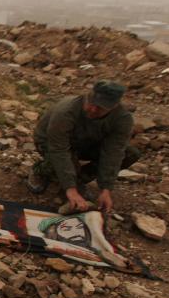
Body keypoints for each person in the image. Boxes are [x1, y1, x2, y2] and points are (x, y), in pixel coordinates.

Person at [28, 81, 139, 214]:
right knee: (62, 164)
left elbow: (113, 153)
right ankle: (41, 170)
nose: (92, 109)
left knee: (130, 154)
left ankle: (78, 179)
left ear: (113, 107)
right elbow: (59, 150)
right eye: (91, 103)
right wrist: (70, 188)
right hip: (50, 141)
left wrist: (106, 188)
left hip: (86, 143)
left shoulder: (122, 119)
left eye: (100, 108)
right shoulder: (67, 110)